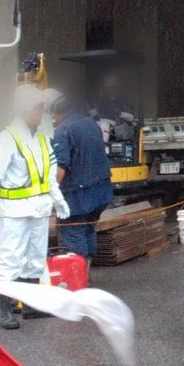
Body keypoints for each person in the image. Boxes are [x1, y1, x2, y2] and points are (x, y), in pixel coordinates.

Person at [0, 84, 69, 330]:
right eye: (36, 108)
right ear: (22, 109)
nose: (40, 113)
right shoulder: (9, 137)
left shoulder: (42, 138)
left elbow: (49, 176)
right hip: (15, 210)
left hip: (39, 209)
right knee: (10, 258)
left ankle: (30, 305)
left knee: (35, 258)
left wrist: (58, 199)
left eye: (41, 108)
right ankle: (6, 311)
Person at [52, 94, 113, 270]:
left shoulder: (63, 130)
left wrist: (52, 194)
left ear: (55, 113)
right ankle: (86, 272)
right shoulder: (91, 123)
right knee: (88, 229)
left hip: (78, 194)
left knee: (73, 232)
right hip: (101, 190)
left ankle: (78, 276)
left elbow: (61, 166)